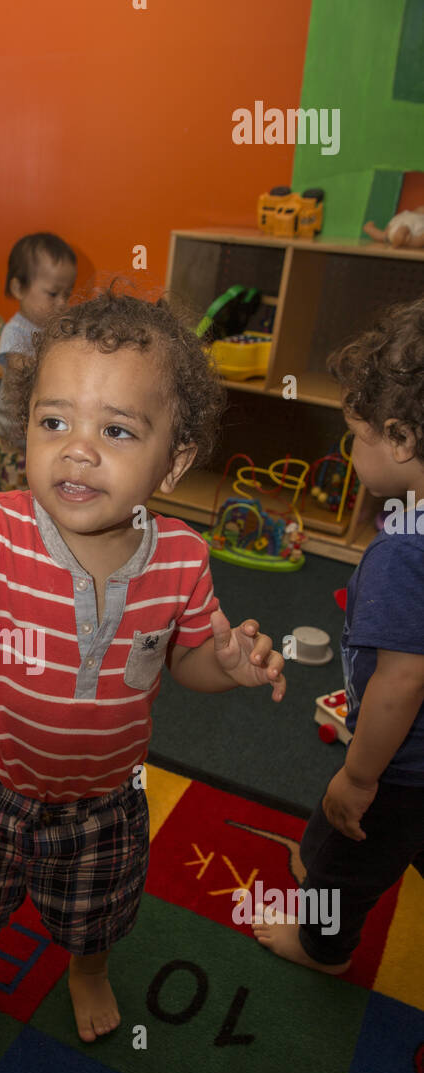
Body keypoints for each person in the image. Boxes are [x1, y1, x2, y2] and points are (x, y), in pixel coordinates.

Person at [0, 288, 286, 1052]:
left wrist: (225, 664)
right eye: (53, 422)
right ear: (25, 429)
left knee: (96, 911)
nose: (77, 448)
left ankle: (86, 970)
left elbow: (186, 663)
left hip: (106, 799)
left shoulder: (185, 558)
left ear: (174, 461)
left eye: (117, 430)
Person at [254, 297, 424, 973]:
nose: (349, 451)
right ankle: (322, 855)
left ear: (402, 439)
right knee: (363, 835)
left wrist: (358, 774)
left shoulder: (403, 551)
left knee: (354, 845)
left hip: (400, 768)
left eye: (357, 436)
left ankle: (321, 944)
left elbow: (403, 679)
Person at [0, 233, 77, 491]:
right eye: (53, 294)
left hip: (42, 430)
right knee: (17, 491)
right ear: (19, 288)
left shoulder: (57, 329)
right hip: (13, 438)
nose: (62, 303)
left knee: (45, 486)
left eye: (67, 294)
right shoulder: (15, 331)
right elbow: (24, 369)